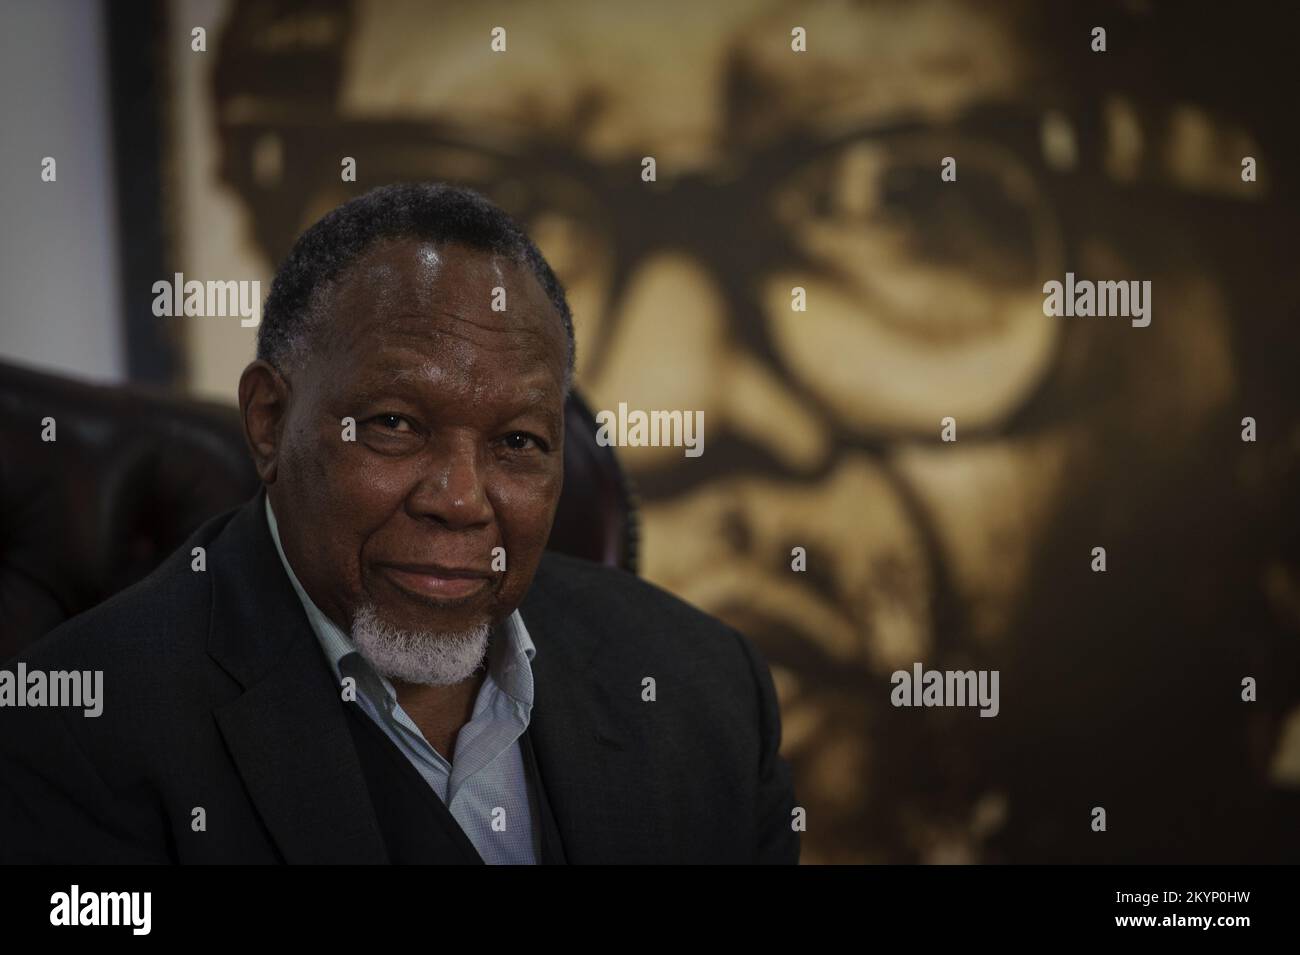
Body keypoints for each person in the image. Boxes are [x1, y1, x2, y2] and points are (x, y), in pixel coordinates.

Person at [0, 182, 800, 864]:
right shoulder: (75, 734)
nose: (458, 498)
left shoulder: (706, 693)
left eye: (518, 441)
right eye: (393, 424)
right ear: (271, 421)